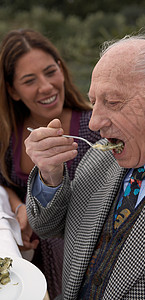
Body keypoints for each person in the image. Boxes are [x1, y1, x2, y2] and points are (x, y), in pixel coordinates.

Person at [25, 33, 145, 300]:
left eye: (113, 103)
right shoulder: (100, 156)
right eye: (94, 102)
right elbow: (49, 226)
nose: (94, 124)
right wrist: (50, 176)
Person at [0, 28, 100, 299]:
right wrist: (21, 206)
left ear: (61, 68)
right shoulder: (9, 136)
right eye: (29, 80)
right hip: (30, 267)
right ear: (13, 90)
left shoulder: (94, 126)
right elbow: (3, 182)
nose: (46, 86)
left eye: (50, 71)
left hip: (84, 263)